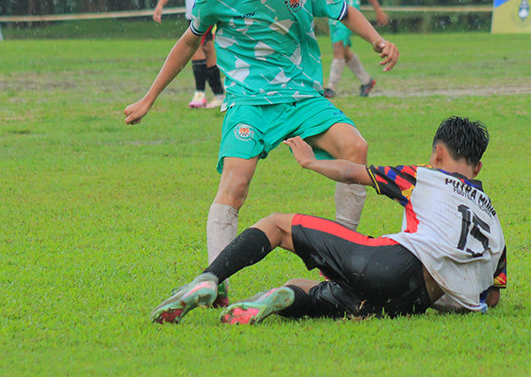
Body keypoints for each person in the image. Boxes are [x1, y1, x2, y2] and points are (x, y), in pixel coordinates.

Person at [125, 0, 399, 307]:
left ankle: (341, 265)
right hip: (248, 102)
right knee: (235, 184)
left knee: (355, 147)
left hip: (302, 96)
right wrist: (149, 98)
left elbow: (344, 10)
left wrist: (377, 40)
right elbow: (187, 44)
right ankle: (216, 281)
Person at [150, 116, 508, 324]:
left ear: (438, 154)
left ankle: (209, 278)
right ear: (477, 167)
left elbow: (354, 173)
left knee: (278, 224)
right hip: (412, 303)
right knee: (319, 292)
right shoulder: (493, 223)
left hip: (393, 263)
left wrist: (310, 162)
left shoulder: (424, 176)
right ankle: (280, 297)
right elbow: (491, 297)